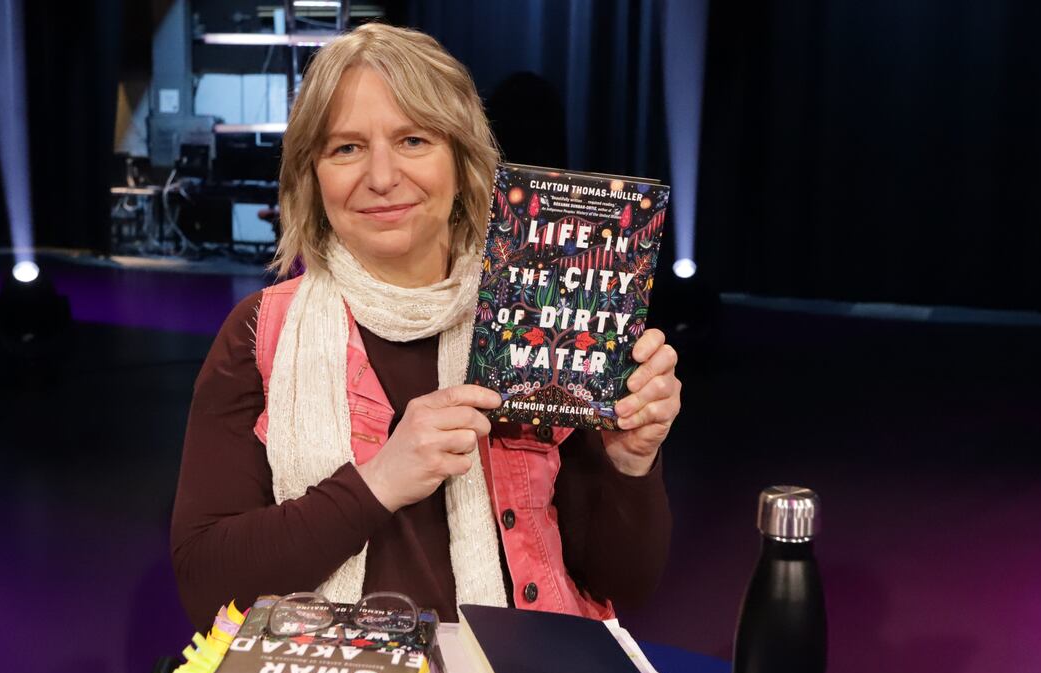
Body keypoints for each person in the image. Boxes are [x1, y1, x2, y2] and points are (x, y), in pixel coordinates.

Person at [171, 23, 680, 629]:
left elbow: (622, 582)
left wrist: (630, 464)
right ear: (312, 177)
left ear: (464, 162)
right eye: (346, 148)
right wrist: (379, 482)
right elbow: (207, 586)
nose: (382, 177)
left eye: (413, 140)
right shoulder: (259, 333)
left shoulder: (542, 321)